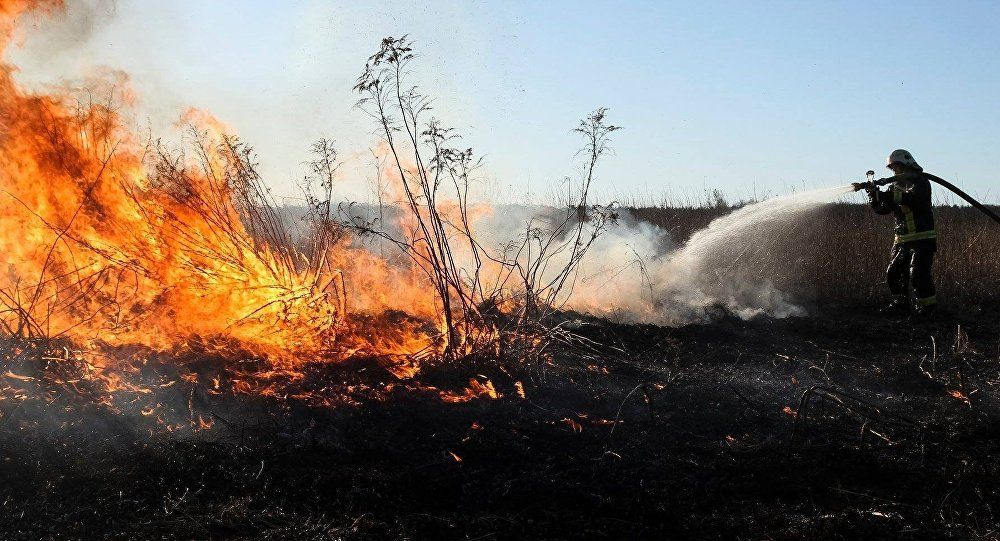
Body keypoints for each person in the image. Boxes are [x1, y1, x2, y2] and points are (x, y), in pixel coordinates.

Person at [863, 149, 937, 317]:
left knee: (918, 274)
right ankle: (900, 306)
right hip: (902, 239)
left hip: (923, 238)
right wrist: (875, 197)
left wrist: (886, 195)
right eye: (892, 168)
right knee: (894, 272)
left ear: (906, 165)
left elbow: (911, 199)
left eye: (896, 167)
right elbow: (882, 210)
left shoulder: (921, 182)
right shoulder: (894, 186)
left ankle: (927, 310)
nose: (894, 171)